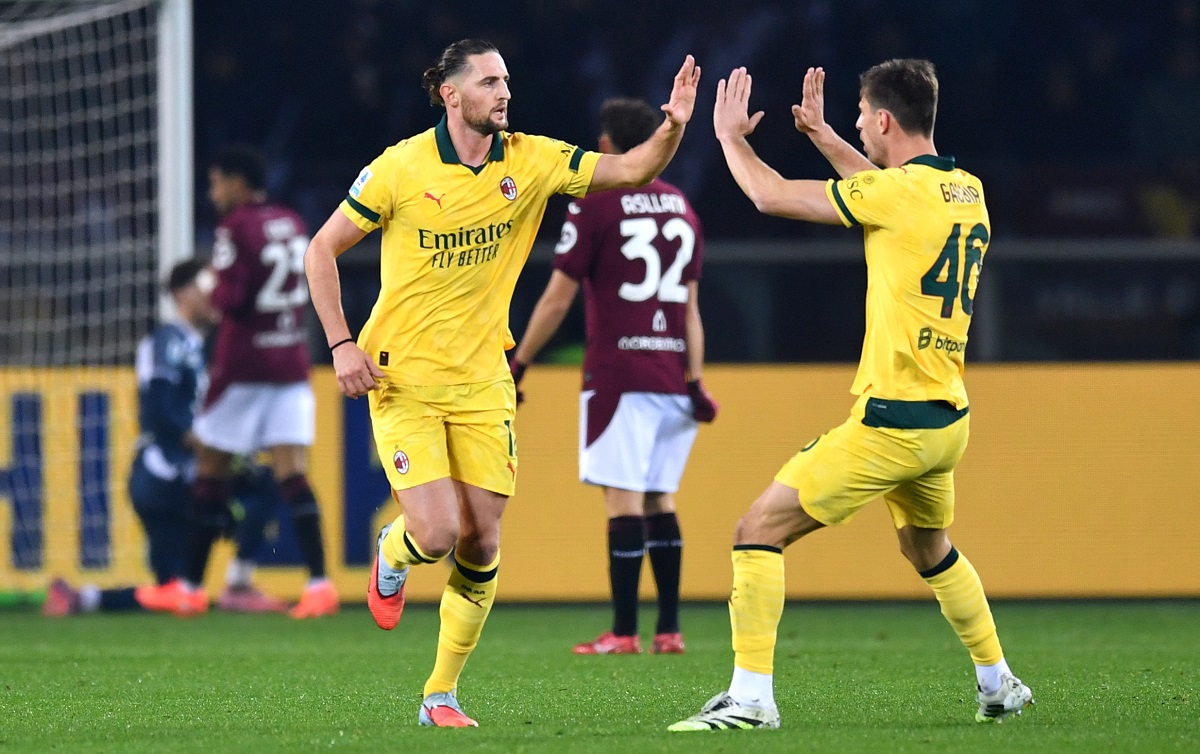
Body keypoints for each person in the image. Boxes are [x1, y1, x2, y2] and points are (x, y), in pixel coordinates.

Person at [304, 39, 700, 727]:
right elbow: (321, 250)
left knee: (482, 542)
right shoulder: (400, 167)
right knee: (435, 532)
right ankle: (393, 552)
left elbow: (634, 167)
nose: (504, 92)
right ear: (450, 94)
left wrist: (673, 127)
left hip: (485, 379)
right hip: (404, 376)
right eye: (489, 82)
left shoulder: (533, 160)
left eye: (506, 80)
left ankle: (440, 694)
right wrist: (340, 343)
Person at [668, 60, 1034, 731]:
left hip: (893, 422)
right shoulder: (966, 190)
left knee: (757, 530)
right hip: (946, 419)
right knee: (928, 548)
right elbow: (887, 191)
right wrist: (824, 136)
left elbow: (771, 196)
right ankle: (998, 682)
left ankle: (751, 700)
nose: (858, 124)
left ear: (885, 119)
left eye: (862, 115)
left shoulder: (895, 195)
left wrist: (728, 138)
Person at [509, 97, 717, 656]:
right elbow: (691, 308)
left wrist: (520, 361)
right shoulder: (681, 207)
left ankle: (623, 632)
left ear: (605, 145)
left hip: (619, 373)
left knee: (623, 504)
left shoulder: (596, 203)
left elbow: (557, 299)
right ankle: (668, 629)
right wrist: (695, 381)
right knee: (660, 500)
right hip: (673, 375)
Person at [43, 261, 286, 617]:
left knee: (179, 590)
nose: (216, 294)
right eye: (207, 285)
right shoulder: (167, 342)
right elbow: (159, 410)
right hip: (166, 477)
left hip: (180, 477)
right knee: (180, 590)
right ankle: (235, 581)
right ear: (181, 294)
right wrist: (206, 445)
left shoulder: (201, 346)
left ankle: (84, 598)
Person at [182, 146, 339, 619]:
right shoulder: (291, 220)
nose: (213, 193)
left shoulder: (234, 227)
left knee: (210, 466)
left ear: (236, 181)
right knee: (292, 472)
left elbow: (231, 299)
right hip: (290, 360)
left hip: (245, 365)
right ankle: (320, 584)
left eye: (216, 182)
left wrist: (209, 294)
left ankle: (189, 587)